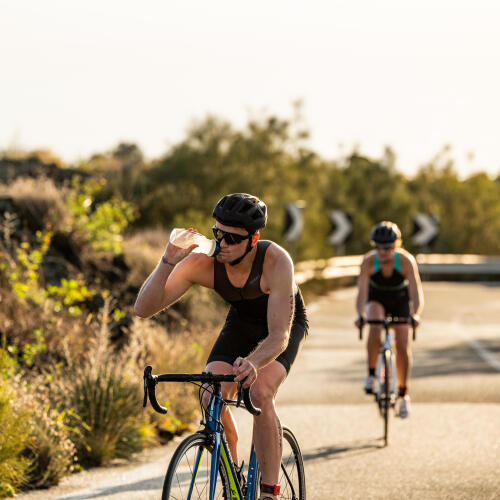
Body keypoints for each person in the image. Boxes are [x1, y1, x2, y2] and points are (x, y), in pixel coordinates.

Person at [134, 193, 308, 500]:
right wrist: (167, 261)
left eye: (232, 238)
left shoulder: (276, 261)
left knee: (259, 392)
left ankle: (269, 491)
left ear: (253, 239)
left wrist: (254, 362)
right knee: (210, 393)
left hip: (282, 325)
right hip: (242, 321)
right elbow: (144, 309)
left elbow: (279, 335)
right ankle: (231, 475)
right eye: (217, 234)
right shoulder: (202, 262)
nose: (222, 244)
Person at [354, 221, 424, 419]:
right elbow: (362, 294)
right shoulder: (369, 262)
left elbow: (416, 293)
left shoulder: (406, 261)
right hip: (377, 299)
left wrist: (415, 314)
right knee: (374, 319)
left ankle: (403, 394)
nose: (383, 252)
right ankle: (371, 375)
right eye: (378, 247)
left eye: (388, 247)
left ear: (397, 245)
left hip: (399, 301)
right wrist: (360, 315)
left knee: (402, 344)